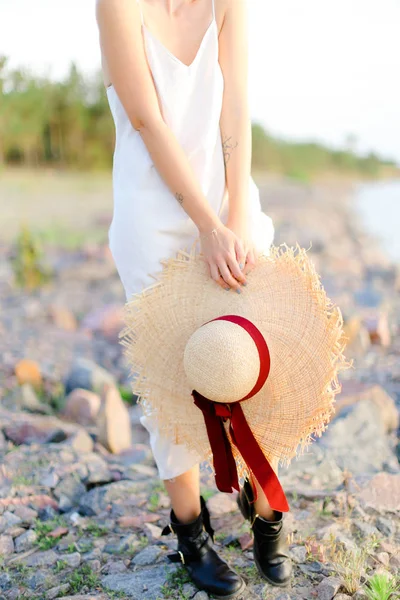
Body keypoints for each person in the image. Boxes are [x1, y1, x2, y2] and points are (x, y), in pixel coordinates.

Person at [96, 0, 292, 596]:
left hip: (226, 199)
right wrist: (206, 226)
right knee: (167, 372)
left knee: (253, 352)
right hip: (154, 213)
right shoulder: (115, 5)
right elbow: (147, 119)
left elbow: (235, 105)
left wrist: (235, 218)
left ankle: (264, 499)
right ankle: (189, 527)